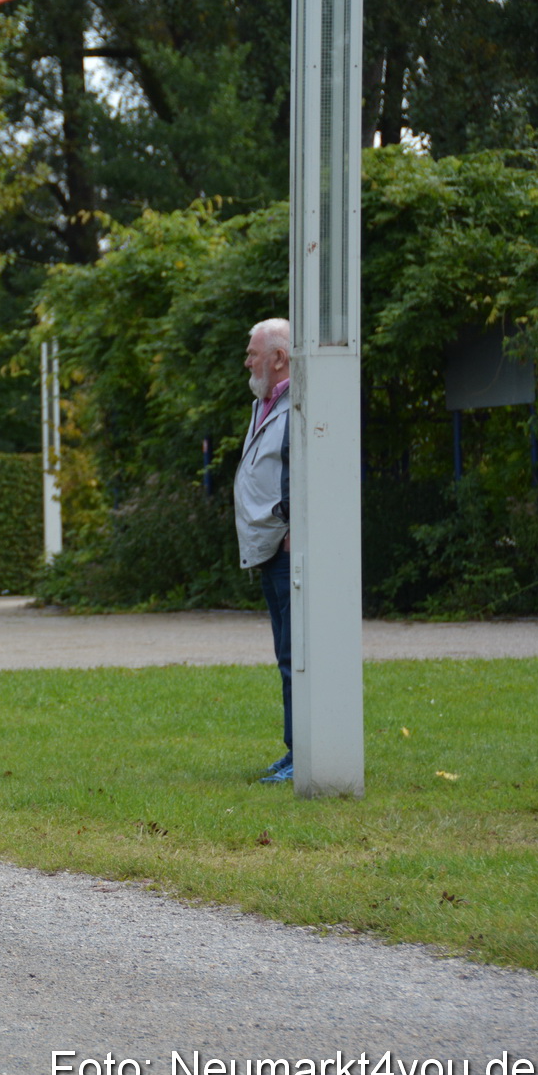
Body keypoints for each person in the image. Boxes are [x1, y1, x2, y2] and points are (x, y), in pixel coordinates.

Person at [234, 318, 294, 785]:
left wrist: (294, 525)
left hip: (286, 545)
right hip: (269, 546)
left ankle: (304, 754)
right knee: (284, 653)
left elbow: (303, 469)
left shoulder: (297, 405)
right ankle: (296, 747)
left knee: (296, 653)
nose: (247, 360)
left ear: (279, 358)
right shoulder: (265, 403)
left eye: (254, 352)